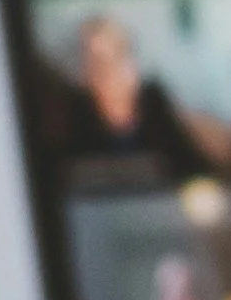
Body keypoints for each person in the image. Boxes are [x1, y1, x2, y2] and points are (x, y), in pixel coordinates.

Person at [57, 15, 214, 185]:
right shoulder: (71, 120)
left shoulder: (156, 106)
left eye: (117, 55)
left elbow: (194, 172)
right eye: (96, 62)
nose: (108, 71)